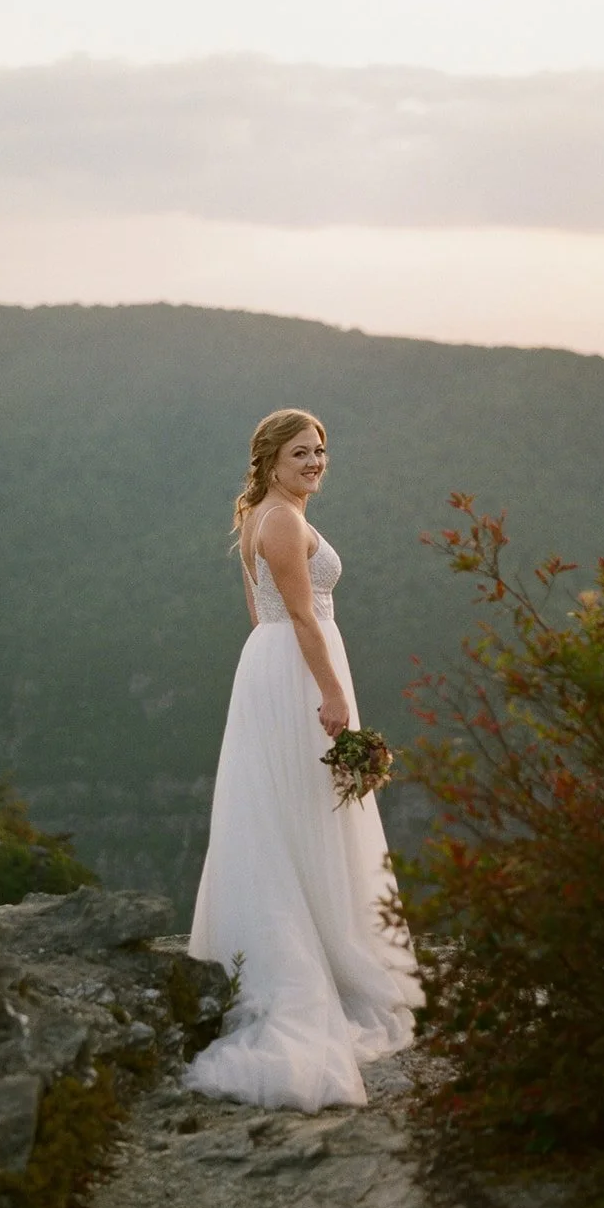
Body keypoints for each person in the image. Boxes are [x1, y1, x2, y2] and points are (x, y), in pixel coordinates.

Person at [184, 408, 422, 1112]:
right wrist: (328, 694)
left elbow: (261, 617)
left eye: (320, 451)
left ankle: (314, 946)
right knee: (306, 807)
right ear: (270, 459)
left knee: (288, 807)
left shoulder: (259, 513)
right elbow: (299, 615)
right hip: (298, 665)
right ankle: (309, 967)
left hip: (274, 664)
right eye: (300, 453)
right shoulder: (282, 520)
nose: (314, 462)